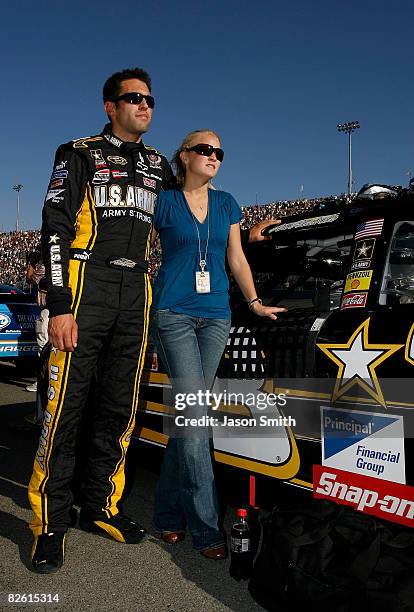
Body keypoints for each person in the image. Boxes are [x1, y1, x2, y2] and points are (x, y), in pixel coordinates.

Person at [28, 67, 175, 574]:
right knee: (63, 410)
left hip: (136, 290)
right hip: (84, 283)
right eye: (134, 98)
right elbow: (54, 228)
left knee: (119, 409)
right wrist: (61, 305)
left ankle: (100, 507)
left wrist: (246, 237)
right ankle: (48, 522)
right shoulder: (79, 152)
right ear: (110, 106)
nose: (145, 106)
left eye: (150, 99)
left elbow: (186, 215)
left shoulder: (159, 165)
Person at [150, 129, 286, 559]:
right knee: (195, 420)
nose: (214, 156)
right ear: (185, 156)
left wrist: (255, 302)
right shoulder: (163, 200)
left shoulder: (227, 203)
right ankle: (207, 528)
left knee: (190, 418)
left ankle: (168, 514)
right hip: (172, 312)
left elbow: (235, 257)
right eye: (205, 150)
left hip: (216, 317)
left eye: (219, 152)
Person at [25, 248, 48, 393]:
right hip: (59, 308)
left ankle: (43, 382)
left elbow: (30, 278)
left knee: (44, 346)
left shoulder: (46, 264)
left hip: (48, 309)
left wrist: (32, 263)